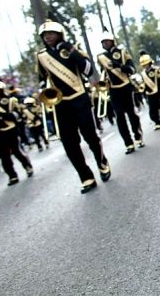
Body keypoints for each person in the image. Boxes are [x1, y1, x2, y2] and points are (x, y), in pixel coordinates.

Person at [37, 21, 110, 193]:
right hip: (60, 104)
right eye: (44, 35)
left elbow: (88, 69)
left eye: (51, 33)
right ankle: (86, 177)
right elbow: (42, 78)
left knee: (90, 137)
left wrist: (72, 51)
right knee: (70, 144)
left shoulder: (73, 48)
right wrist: (43, 90)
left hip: (79, 99)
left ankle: (102, 162)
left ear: (59, 34)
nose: (47, 37)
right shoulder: (41, 56)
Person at [97, 32, 144, 154]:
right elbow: (103, 73)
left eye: (107, 41)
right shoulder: (101, 57)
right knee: (120, 118)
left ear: (112, 41)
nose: (105, 43)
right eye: (102, 42)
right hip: (113, 90)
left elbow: (132, 69)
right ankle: (128, 143)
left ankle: (138, 137)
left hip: (125, 87)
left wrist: (118, 66)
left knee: (131, 114)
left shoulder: (123, 52)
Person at [0, 81, 34, 186]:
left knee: (17, 151)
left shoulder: (12, 100)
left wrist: (6, 116)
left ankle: (27, 166)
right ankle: (12, 176)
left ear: (1, 89)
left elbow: (19, 114)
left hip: (12, 130)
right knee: (4, 156)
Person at [139, 53, 160, 130]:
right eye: (144, 65)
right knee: (152, 109)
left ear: (150, 63)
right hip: (149, 93)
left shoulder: (156, 70)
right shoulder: (143, 73)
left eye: (146, 64)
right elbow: (143, 83)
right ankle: (157, 122)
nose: (145, 66)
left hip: (157, 91)